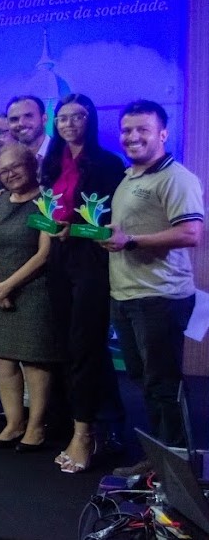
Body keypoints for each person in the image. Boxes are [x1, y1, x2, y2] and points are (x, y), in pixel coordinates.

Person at [100, 99, 203, 476]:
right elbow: (127, 232)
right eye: (126, 130)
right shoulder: (130, 176)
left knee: (163, 384)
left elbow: (191, 233)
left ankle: (175, 467)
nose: (133, 136)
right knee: (145, 380)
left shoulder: (176, 177)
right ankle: (163, 458)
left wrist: (131, 241)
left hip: (159, 297)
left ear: (162, 134)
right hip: (127, 295)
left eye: (143, 129)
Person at [42, 93, 127, 474]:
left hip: (93, 260)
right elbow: (45, 213)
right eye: (63, 117)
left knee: (86, 344)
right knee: (66, 344)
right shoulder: (51, 162)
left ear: (90, 120)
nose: (69, 124)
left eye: (77, 116)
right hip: (58, 260)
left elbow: (111, 225)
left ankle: (85, 433)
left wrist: (71, 229)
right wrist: (50, 227)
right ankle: (90, 422)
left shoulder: (108, 163)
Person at [0, 144, 60, 452]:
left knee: (34, 361)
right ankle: (13, 424)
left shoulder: (47, 200)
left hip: (35, 291)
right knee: (3, 359)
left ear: (31, 165)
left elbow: (45, 253)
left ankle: (36, 427)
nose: (10, 174)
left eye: (16, 167)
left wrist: (7, 287)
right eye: (3, 171)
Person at [6, 95, 50, 166]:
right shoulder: (6, 160)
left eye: (28, 116)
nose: (21, 123)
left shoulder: (64, 151)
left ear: (44, 119)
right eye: (14, 119)